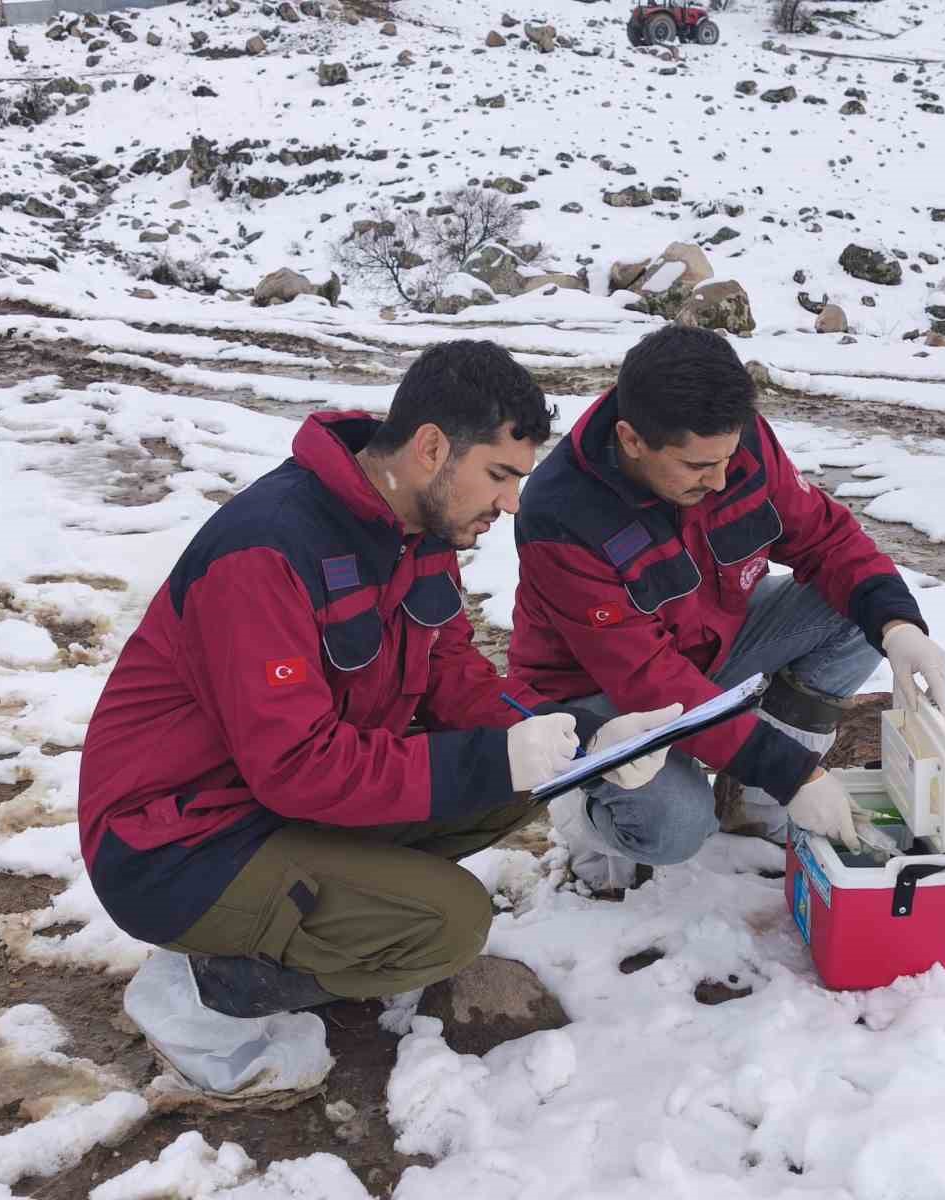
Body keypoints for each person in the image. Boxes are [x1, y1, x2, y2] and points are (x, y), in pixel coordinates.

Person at [78, 340, 676, 1098]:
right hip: (176, 844)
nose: (513, 503)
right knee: (450, 925)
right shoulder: (268, 549)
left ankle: (316, 910)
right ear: (432, 448)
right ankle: (206, 990)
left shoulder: (418, 531)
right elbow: (296, 764)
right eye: (499, 475)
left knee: (517, 777)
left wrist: (578, 743)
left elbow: (453, 672)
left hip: (269, 803)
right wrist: (498, 758)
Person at [508, 325, 945, 891]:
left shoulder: (730, 445)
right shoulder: (560, 515)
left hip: (710, 644)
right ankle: (586, 808)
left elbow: (825, 540)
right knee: (675, 825)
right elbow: (647, 678)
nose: (721, 479)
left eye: (728, 456)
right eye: (697, 468)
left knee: (856, 613)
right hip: (601, 701)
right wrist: (796, 772)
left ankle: (752, 801)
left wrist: (898, 624)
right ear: (632, 438)